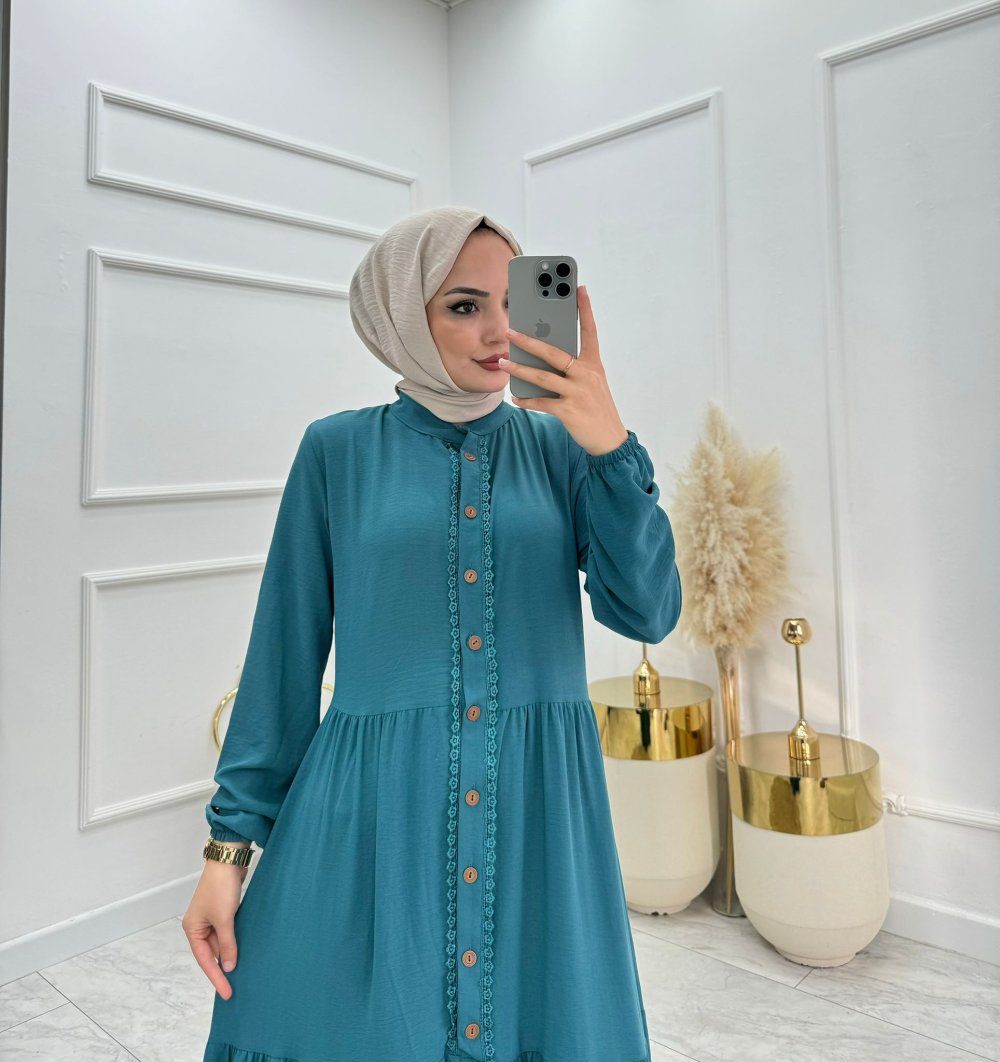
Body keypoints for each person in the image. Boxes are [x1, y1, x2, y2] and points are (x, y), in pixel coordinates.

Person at [182, 205, 682, 1062]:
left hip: (539, 817)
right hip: (374, 817)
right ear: (401, 315)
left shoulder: (565, 452)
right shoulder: (336, 452)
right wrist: (226, 851)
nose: (497, 331)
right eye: (463, 305)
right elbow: (283, 658)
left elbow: (647, 612)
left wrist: (608, 444)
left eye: (513, 303)